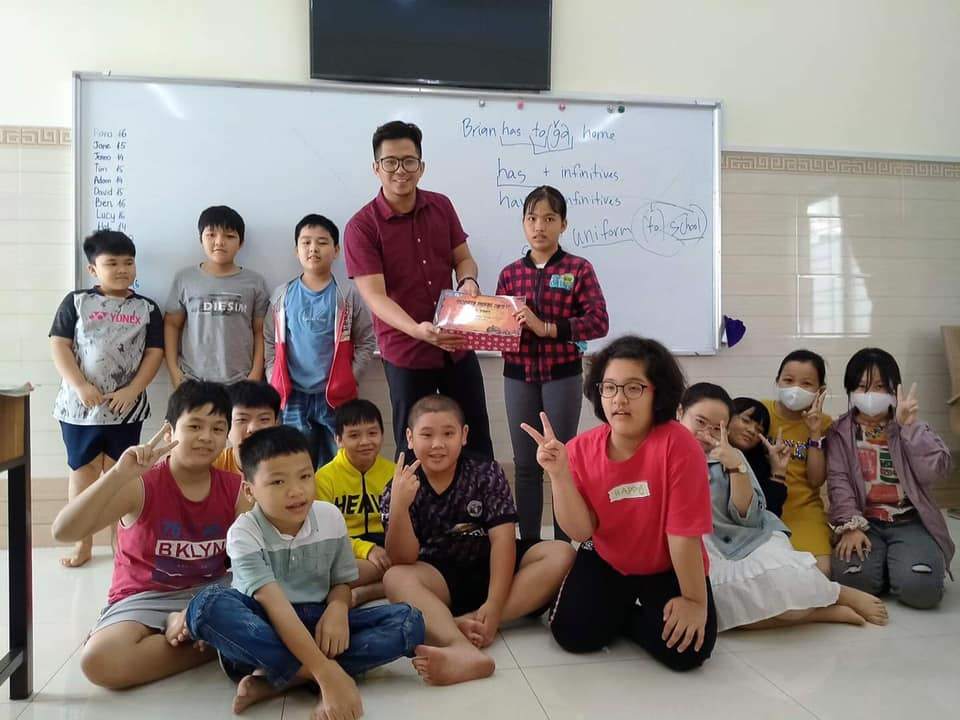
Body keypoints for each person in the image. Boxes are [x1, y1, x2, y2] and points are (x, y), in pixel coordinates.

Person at [171, 425, 424, 719]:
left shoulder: (329, 517)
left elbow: (341, 582)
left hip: (317, 623)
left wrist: (338, 608)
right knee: (207, 605)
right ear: (250, 490)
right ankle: (314, 674)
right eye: (278, 481)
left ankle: (279, 681)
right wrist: (326, 673)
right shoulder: (244, 532)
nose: (296, 491)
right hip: (260, 631)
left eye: (305, 476)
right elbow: (276, 607)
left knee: (409, 621)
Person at [522, 335, 716, 671]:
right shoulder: (580, 449)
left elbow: (683, 536)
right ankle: (624, 611)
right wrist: (559, 474)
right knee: (571, 635)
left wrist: (694, 601)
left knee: (688, 652)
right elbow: (581, 531)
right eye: (609, 387)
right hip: (608, 558)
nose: (619, 399)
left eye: (634, 388)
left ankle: (623, 615)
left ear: (657, 392)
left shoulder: (679, 445)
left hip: (667, 565)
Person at [51, 381, 249, 689]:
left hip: (210, 592)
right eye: (195, 426)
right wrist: (118, 475)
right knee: (99, 660)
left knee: (280, 605)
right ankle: (213, 640)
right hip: (144, 597)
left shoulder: (235, 489)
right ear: (169, 431)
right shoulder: (140, 484)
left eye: (217, 428)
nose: (206, 437)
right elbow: (63, 531)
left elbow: (258, 560)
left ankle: (196, 627)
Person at [381, 395, 574, 685]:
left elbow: (503, 541)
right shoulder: (400, 484)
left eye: (448, 434)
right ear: (409, 438)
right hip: (439, 577)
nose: (437, 444)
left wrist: (494, 606)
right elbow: (402, 558)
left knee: (562, 552)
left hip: (493, 567)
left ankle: (469, 622)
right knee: (394, 577)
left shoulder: (485, 472)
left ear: (464, 435)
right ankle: (460, 648)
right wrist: (399, 506)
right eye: (426, 435)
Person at [678, 382, 887, 631]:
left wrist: (735, 467)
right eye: (700, 422)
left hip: (747, 540)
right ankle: (818, 613)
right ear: (680, 413)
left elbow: (749, 517)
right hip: (696, 550)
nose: (706, 433)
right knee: (714, 611)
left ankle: (838, 593)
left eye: (716, 428)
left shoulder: (733, 456)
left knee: (783, 582)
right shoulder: (661, 452)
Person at [343, 120, 493, 459]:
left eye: (409, 161)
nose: (401, 170)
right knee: (413, 446)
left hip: (455, 345)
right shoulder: (361, 227)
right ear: (376, 168)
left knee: (474, 437)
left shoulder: (441, 206)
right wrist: (417, 330)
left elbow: (463, 259)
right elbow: (375, 296)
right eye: (390, 162)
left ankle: (481, 495)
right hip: (406, 352)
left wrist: (468, 281)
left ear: (421, 167)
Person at [495, 186, 608, 541]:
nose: (539, 226)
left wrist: (547, 328)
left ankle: (562, 545)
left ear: (563, 224)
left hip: (562, 376)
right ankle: (529, 544)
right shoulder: (510, 274)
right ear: (523, 223)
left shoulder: (578, 269)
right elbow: (498, 327)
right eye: (531, 218)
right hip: (518, 377)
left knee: (561, 462)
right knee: (526, 466)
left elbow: (598, 322)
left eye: (548, 218)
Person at [49, 229, 164, 568]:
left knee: (121, 475)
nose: (122, 269)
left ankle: (121, 545)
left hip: (126, 410)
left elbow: (154, 353)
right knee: (83, 474)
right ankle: (82, 543)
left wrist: (133, 390)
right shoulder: (76, 302)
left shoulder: (147, 308)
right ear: (93, 269)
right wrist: (80, 385)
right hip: (79, 410)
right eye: (112, 263)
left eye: (128, 262)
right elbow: (59, 345)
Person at [828, 347, 955, 609]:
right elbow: (838, 482)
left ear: (894, 390)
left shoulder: (909, 423)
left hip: (909, 521)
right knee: (853, 582)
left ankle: (901, 564)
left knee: (921, 591)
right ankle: (892, 564)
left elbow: (936, 471)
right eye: (862, 386)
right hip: (864, 522)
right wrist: (851, 526)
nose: (870, 394)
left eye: (879, 387)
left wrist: (910, 428)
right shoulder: (840, 431)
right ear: (850, 389)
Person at [265, 213, 376, 469]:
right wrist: (274, 377)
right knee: (296, 462)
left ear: (336, 250)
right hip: (293, 395)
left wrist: (350, 377)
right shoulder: (282, 295)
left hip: (335, 397)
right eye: (306, 242)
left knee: (337, 462)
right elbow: (270, 340)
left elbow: (366, 341)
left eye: (322, 242)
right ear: (296, 251)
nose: (313, 248)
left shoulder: (346, 295)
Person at [164, 205, 269, 386]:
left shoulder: (255, 282)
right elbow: (172, 324)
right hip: (193, 380)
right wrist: (174, 370)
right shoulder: (185, 278)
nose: (219, 242)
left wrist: (256, 373)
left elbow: (261, 331)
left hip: (241, 382)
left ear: (241, 243)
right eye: (211, 235)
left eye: (229, 236)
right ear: (201, 239)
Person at [316, 399, 395, 606]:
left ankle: (364, 593)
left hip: (386, 547)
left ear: (382, 434)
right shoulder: (324, 478)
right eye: (354, 435)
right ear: (338, 439)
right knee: (327, 574)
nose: (365, 441)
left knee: (413, 562)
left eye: (372, 433)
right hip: (344, 548)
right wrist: (366, 550)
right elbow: (325, 533)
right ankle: (381, 583)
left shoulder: (394, 473)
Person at [763, 349, 833, 574]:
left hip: (805, 512)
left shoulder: (826, 423)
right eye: (788, 380)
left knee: (820, 571)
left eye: (806, 384)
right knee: (769, 572)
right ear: (777, 381)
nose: (795, 388)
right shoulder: (760, 413)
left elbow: (816, 480)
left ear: (820, 390)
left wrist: (814, 432)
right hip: (763, 510)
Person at [727, 397, 790, 517]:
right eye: (745, 420)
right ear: (727, 417)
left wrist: (778, 471)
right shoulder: (707, 451)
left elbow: (770, 513)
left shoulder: (758, 465)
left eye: (759, 430)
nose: (752, 431)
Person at [213, 380, 281, 475]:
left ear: (276, 425)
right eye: (242, 419)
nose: (253, 428)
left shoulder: (291, 464)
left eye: (264, 419)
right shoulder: (212, 466)